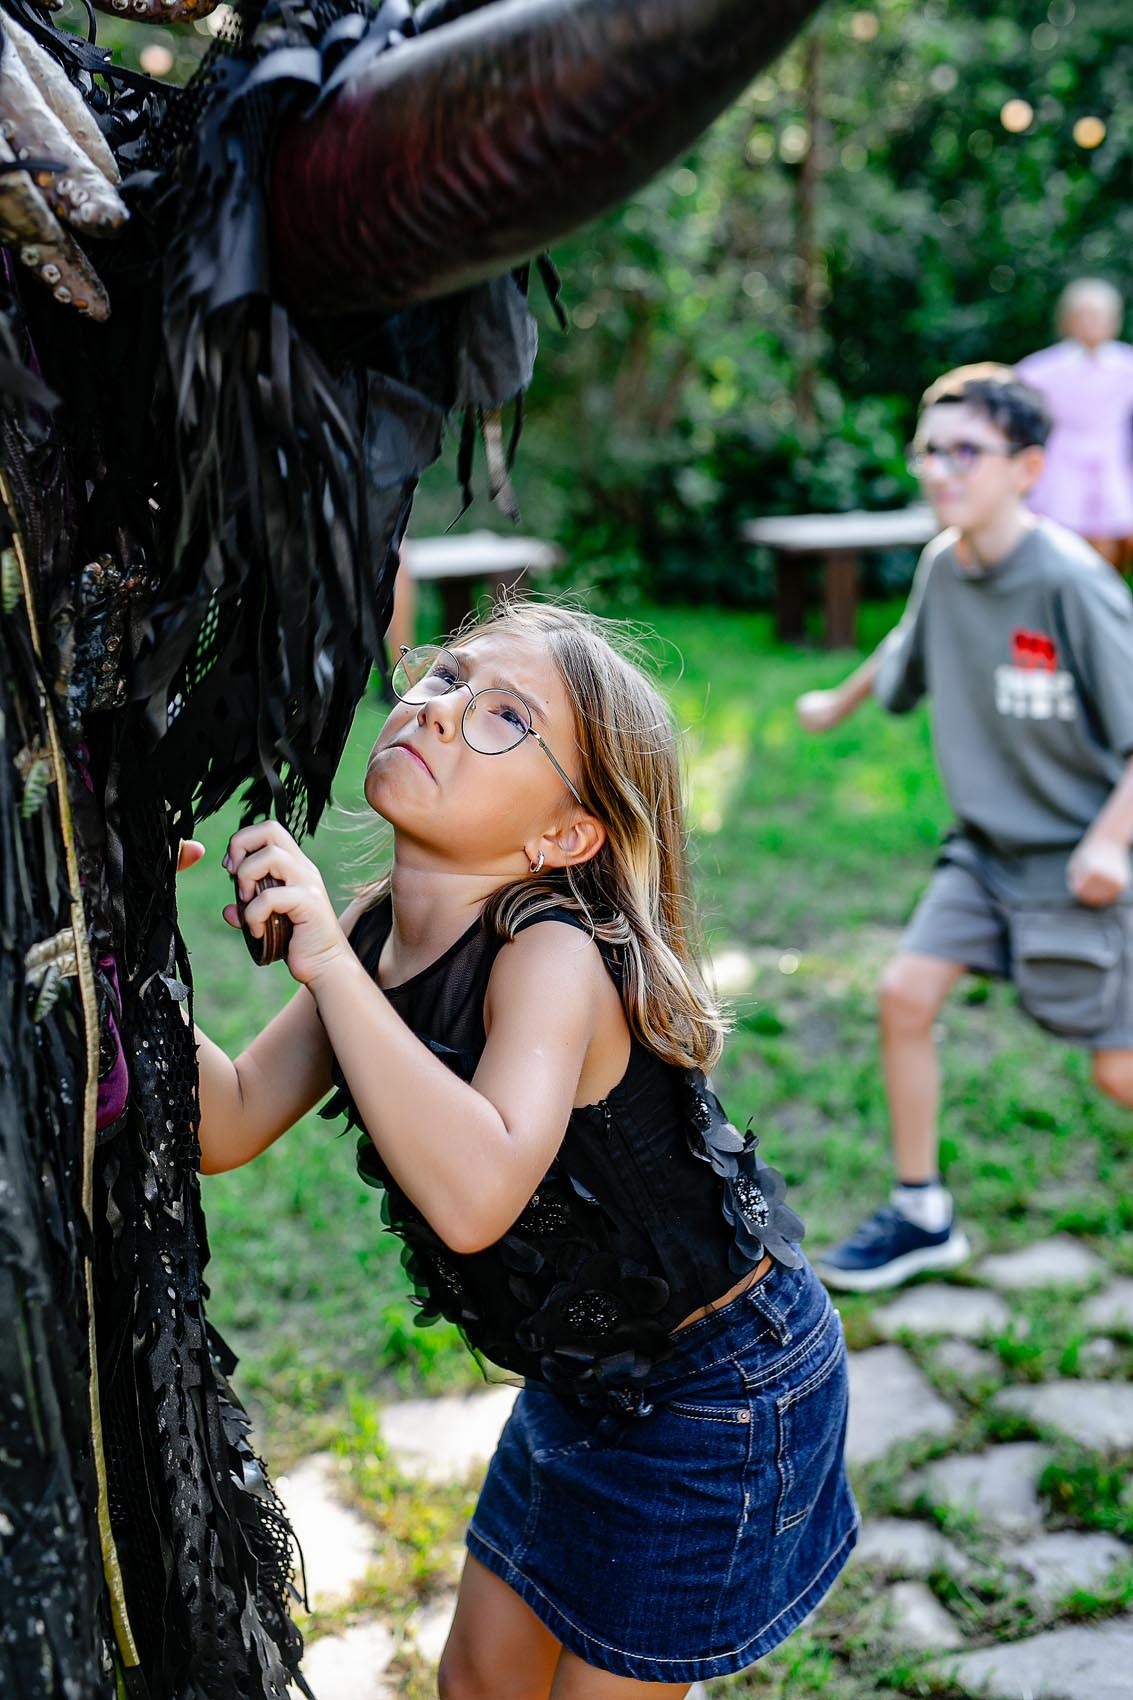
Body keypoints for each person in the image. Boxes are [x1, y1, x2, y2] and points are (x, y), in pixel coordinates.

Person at [187, 599, 857, 1697]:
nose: (441, 710)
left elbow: (476, 1196)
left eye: (504, 715)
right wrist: (123, 936)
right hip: (584, 1379)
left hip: (716, 1389)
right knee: (480, 1679)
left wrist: (329, 968)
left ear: (563, 836)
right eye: (444, 675)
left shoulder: (549, 952)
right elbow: (229, 1118)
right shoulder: (372, 938)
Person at [796, 364, 1133, 1293]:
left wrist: (1107, 842)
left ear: (1026, 467)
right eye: (929, 450)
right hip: (985, 853)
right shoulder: (945, 563)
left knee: (1116, 1075)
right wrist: (838, 702)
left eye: (965, 452)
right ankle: (921, 1214)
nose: (940, 470)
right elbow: (902, 645)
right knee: (904, 997)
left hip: (1079, 864)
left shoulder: (1070, 582)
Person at [1016, 278, 1133, 568]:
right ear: (1067, 320)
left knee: (1110, 547)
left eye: (1100, 315)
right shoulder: (1042, 368)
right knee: (1061, 545)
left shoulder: (1126, 363)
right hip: (1062, 468)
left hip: (1111, 467)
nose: (1093, 323)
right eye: (1084, 315)